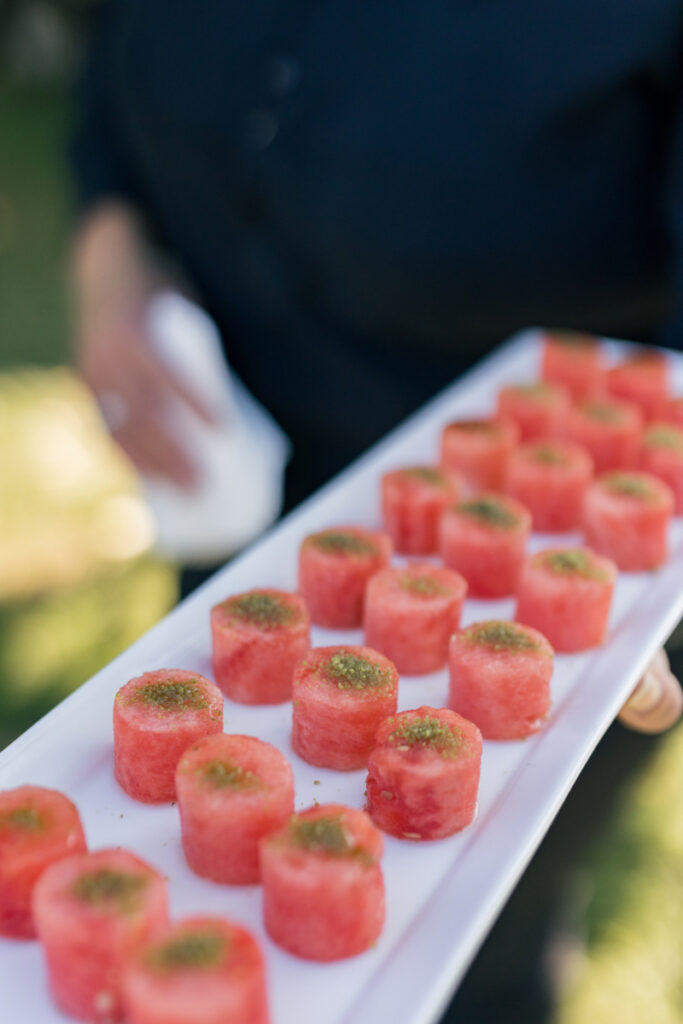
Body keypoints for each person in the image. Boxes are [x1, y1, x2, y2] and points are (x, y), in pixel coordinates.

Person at [70, 3, 683, 1019]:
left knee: (468, 954)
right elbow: (116, 58)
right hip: (246, 503)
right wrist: (109, 234)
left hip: (542, 547)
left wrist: (631, 547)